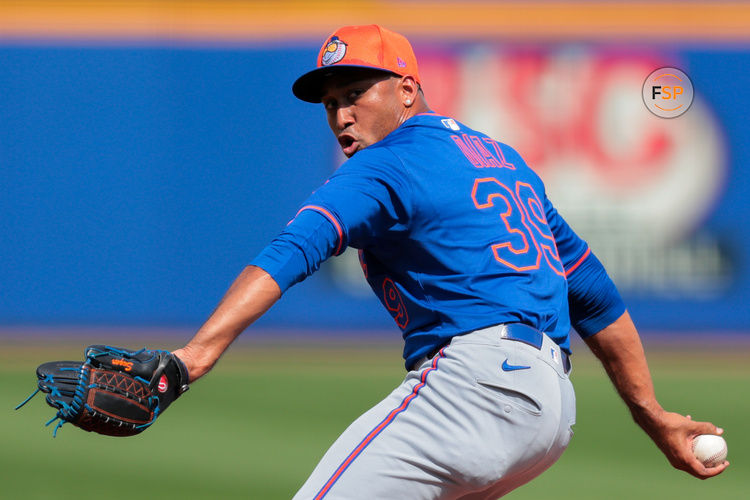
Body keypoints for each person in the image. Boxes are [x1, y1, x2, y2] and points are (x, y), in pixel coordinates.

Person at [173, 25, 728, 499]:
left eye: (356, 92)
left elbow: (294, 249)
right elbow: (591, 290)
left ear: (408, 89)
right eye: (331, 103)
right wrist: (651, 414)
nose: (342, 114)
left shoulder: (385, 164)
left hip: (475, 387)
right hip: (550, 411)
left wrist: (197, 355)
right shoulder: (501, 158)